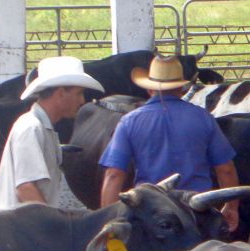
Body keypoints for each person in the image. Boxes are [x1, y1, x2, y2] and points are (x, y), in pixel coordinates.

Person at [98, 53, 240, 232]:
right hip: (197, 210)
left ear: (149, 89)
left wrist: (109, 220)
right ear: (181, 88)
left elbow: (114, 175)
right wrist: (232, 207)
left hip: (151, 213)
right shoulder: (203, 118)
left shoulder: (129, 121)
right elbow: (225, 169)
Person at [0, 56, 104, 209]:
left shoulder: (41, 127)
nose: (82, 100)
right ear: (61, 93)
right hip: (19, 228)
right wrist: (51, 224)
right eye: (79, 93)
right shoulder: (31, 128)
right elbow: (25, 188)